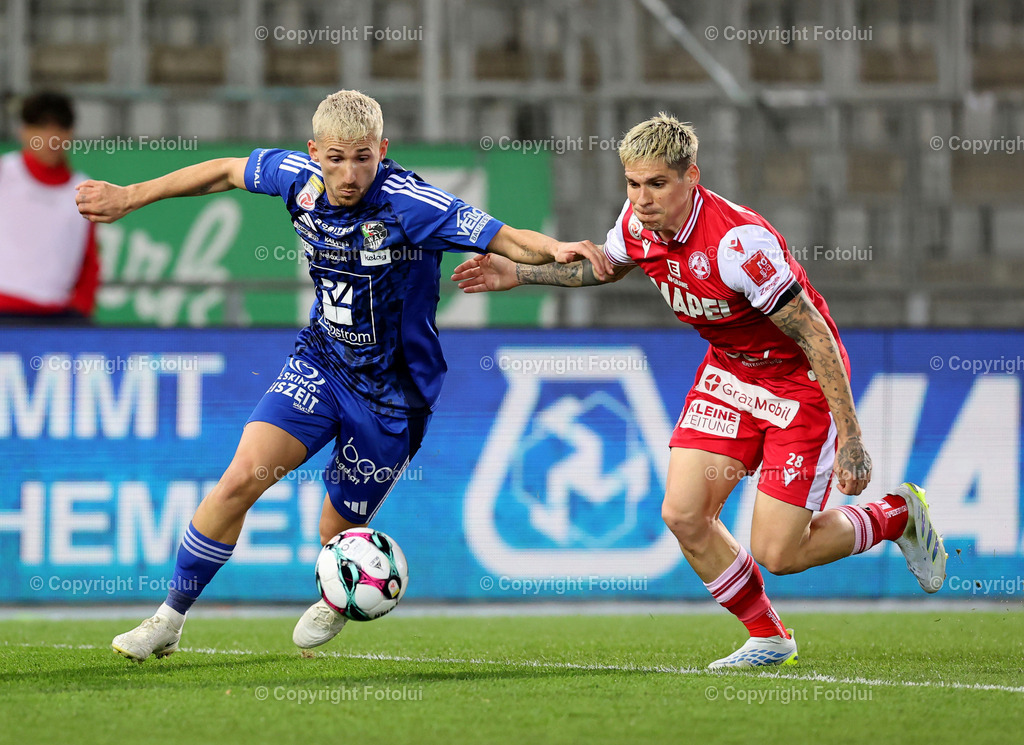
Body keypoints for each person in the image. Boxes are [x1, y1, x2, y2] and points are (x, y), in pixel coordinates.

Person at [76, 89, 608, 662]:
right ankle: (168, 619)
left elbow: (506, 238)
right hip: (321, 365)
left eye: (362, 157)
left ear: (383, 150)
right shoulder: (296, 179)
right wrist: (131, 196)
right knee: (239, 480)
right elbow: (226, 171)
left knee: (335, 530)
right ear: (314, 152)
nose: (348, 173)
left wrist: (554, 248)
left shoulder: (413, 204)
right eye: (335, 158)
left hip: (393, 397)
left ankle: (339, 593)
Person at [452, 113, 947, 669]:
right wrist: (520, 274)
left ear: (692, 176)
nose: (642, 199)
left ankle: (896, 516)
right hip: (731, 378)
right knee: (684, 515)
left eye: (657, 184)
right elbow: (609, 267)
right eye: (633, 184)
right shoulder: (638, 224)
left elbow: (816, 334)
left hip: (797, 386)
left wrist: (852, 436)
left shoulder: (739, 245)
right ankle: (769, 636)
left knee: (778, 553)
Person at [0, 92, 99, 323]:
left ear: (70, 134)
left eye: (60, 128)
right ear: (24, 131)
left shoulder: (83, 188)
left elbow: (89, 259)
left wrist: (81, 309)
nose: (52, 137)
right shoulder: (5, 173)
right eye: (42, 128)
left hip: (59, 317)